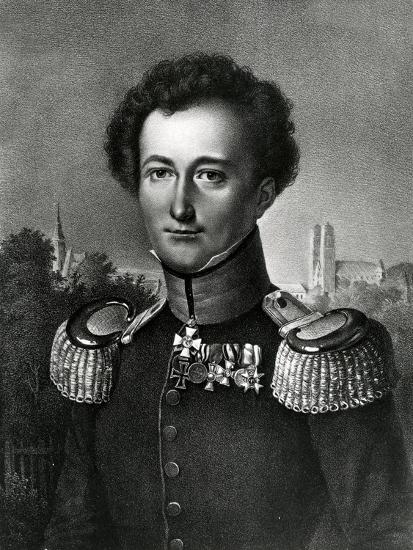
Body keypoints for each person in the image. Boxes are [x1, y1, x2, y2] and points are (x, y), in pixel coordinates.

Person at [44, 53, 412, 550]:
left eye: (210, 176)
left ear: (262, 196)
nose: (179, 207)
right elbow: (74, 535)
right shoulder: (109, 353)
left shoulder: (326, 361)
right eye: (160, 173)